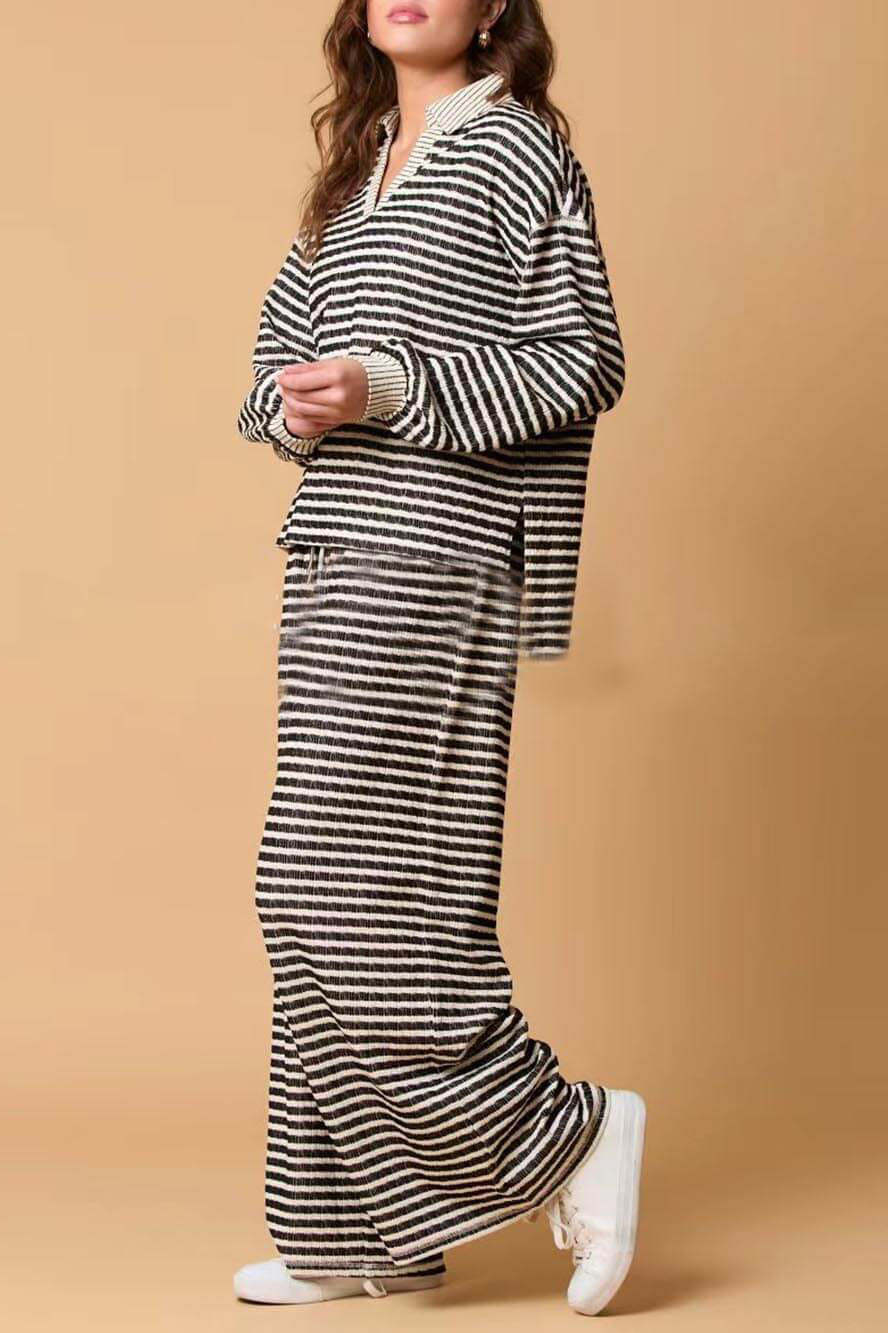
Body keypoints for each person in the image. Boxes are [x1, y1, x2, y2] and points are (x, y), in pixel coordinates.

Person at [233, 0, 645, 1317]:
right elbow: (271, 365)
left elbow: (584, 357)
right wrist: (300, 400)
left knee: (364, 885)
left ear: (495, 8)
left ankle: (567, 1132)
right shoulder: (355, 165)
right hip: (333, 547)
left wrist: (388, 387)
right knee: (316, 886)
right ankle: (357, 1227)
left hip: (441, 548)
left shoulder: (519, 147)